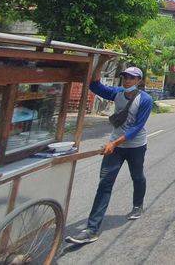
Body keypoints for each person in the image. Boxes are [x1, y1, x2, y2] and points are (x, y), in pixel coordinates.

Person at [66, 65, 153, 244]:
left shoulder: (145, 100)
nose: (127, 80)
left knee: (137, 176)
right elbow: (95, 86)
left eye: (131, 77)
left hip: (135, 146)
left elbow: (137, 128)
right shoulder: (117, 93)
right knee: (105, 183)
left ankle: (138, 205)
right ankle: (92, 229)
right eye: (125, 77)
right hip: (115, 146)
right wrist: (101, 62)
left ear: (139, 81)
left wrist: (113, 143)